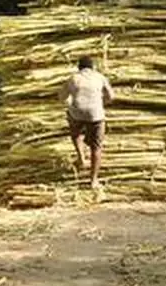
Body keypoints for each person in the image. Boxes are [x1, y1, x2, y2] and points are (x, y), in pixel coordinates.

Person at [62, 56, 115, 191]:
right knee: (96, 147)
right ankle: (94, 181)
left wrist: (70, 103)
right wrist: (101, 103)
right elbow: (111, 96)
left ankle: (81, 157)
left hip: (77, 113)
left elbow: (61, 97)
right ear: (92, 67)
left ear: (79, 67)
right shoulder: (100, 77)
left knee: (75, 131)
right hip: (96, 115)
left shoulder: (73, 78)